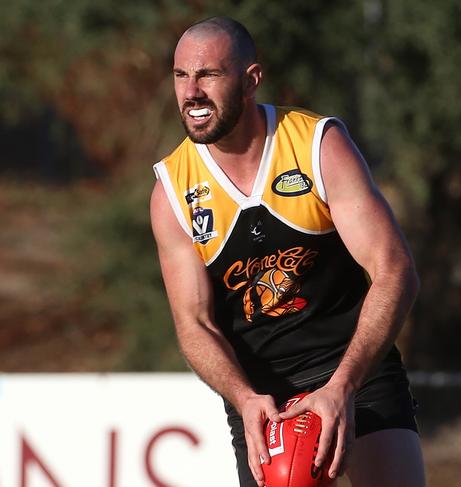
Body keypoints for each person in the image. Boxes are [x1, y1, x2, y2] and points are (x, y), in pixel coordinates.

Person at [150, 16, 426, 487]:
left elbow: (394, 269)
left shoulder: (318, 145)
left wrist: (343, 385)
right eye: (181, 75)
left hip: (355, 370)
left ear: (251, 79)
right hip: (263, 398)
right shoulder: (173, 191)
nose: (191, 91)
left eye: (209, 75)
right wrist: (244, 398)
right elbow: (194, 325)